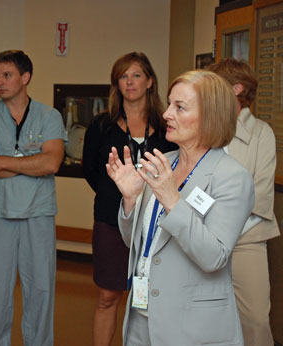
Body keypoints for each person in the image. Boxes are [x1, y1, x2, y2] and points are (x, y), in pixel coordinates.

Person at [106, 70, 254, 346]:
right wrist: (130, 200)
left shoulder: (232, 177)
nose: (166, 114)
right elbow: (137, 243)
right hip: (141, 315)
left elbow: (214, 257)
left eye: (180, 107)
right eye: (170, 104)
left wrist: (172, 200)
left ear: (210, 116)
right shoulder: (163, 163)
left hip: (192, 326)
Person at [0, 50, 67, 346]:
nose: (0, 81)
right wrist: (30, 163)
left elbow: (51, 164)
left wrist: (4, 162)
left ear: (25, 78)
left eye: (7, 75)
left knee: (41, 292)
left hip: (39, 213)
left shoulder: (50, 116)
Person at [83, 52, 177, 346]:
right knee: (107, 296)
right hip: (111, 221)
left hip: (156, 227)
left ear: (150, 81)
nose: (129, 82)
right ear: (116, 84)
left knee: (148, 299)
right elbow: (91, 172)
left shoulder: (166, 129)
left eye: (136, 75)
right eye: (123, 76)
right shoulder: (101, 126)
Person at [208, 58, 280, 346]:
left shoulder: (262, 133)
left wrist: (224, 233)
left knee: (255, 321)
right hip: (202, 238)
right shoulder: (205, 128)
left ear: (237, 89)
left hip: (247, 240)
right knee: (209, 318)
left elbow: (259, 196)